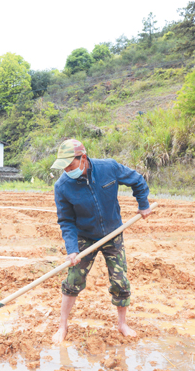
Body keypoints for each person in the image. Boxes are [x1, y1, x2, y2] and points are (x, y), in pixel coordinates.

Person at [50, 138, 152, 343]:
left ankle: (122, 324)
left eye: (70, 165)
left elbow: (137, 180)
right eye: (63, 166)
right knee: (73, 280)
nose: (67, 170)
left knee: (120, 281)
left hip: (113, 233)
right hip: (85, 237)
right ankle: (63, 326)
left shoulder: (109, 168)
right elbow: (66, 221)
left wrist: (143, 204)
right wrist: (72, 250)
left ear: (83, 158)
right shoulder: (62, 186)